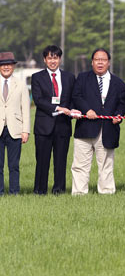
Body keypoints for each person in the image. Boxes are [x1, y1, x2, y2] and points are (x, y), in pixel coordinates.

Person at [71, 48, 125, 195]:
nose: (100, 62)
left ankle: (107, 192)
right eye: (97, 60)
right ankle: (79, 193)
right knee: (80, 165)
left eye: (103, 60)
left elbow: (122, 104)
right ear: (92, 62)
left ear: (108, 62)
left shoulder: (119, 83)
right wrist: (86, 110)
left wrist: (119, 115)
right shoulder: (82, 78)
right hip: (85, 128)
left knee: (106, 164)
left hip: (108, 129)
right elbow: (76, 97)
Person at [30, 45, 76, 195]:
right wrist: (58, 108)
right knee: (42, 161)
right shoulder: (37, 77)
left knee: (60, 161)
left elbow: (72, 99)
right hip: (44, 126)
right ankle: (40, 190)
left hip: (63, 125)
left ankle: (59, 190)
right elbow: (38, 100)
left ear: (60, 59)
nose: (52, 61)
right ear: (44, 60)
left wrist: (72, 109)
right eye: (49, 58)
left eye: (55, 58)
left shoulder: (69, 77)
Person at [0, 52, 30, 195]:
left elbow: (26, 108)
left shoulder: (20, 84)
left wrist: (26, 130)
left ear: (13, 66)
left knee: (13, 165)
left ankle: (14, 193)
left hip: (15, 129)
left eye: (9, 64)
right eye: (3, 65)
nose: (6, 67)